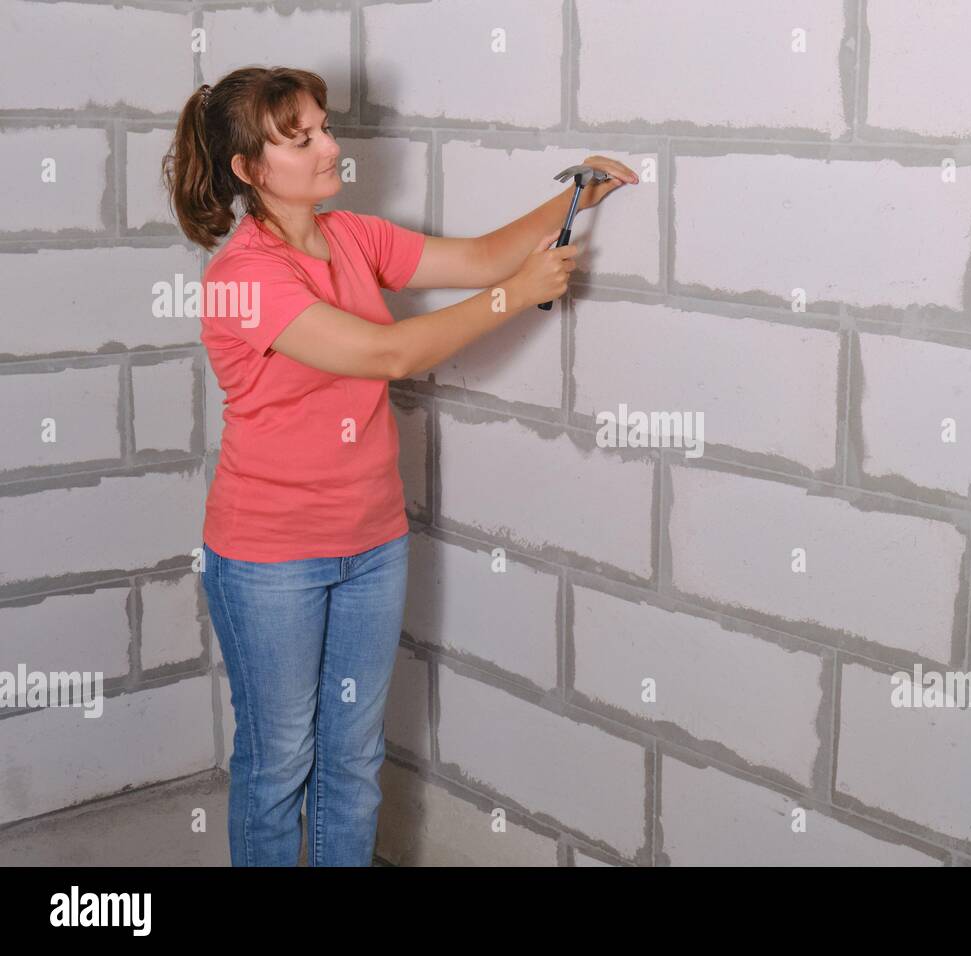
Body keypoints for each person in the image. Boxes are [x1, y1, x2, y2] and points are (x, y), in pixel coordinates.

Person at [161, 65, 636, 866]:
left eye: (323, 126)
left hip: (373, 543)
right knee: (278, 765)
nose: (330, 146)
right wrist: (518, 296)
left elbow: (484, 255)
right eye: (302, 137)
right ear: (248, 169)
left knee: (352, 761)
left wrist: (577, 197)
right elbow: (387, 352)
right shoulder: (243, 278)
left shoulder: (354, 236)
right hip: (271, 558)